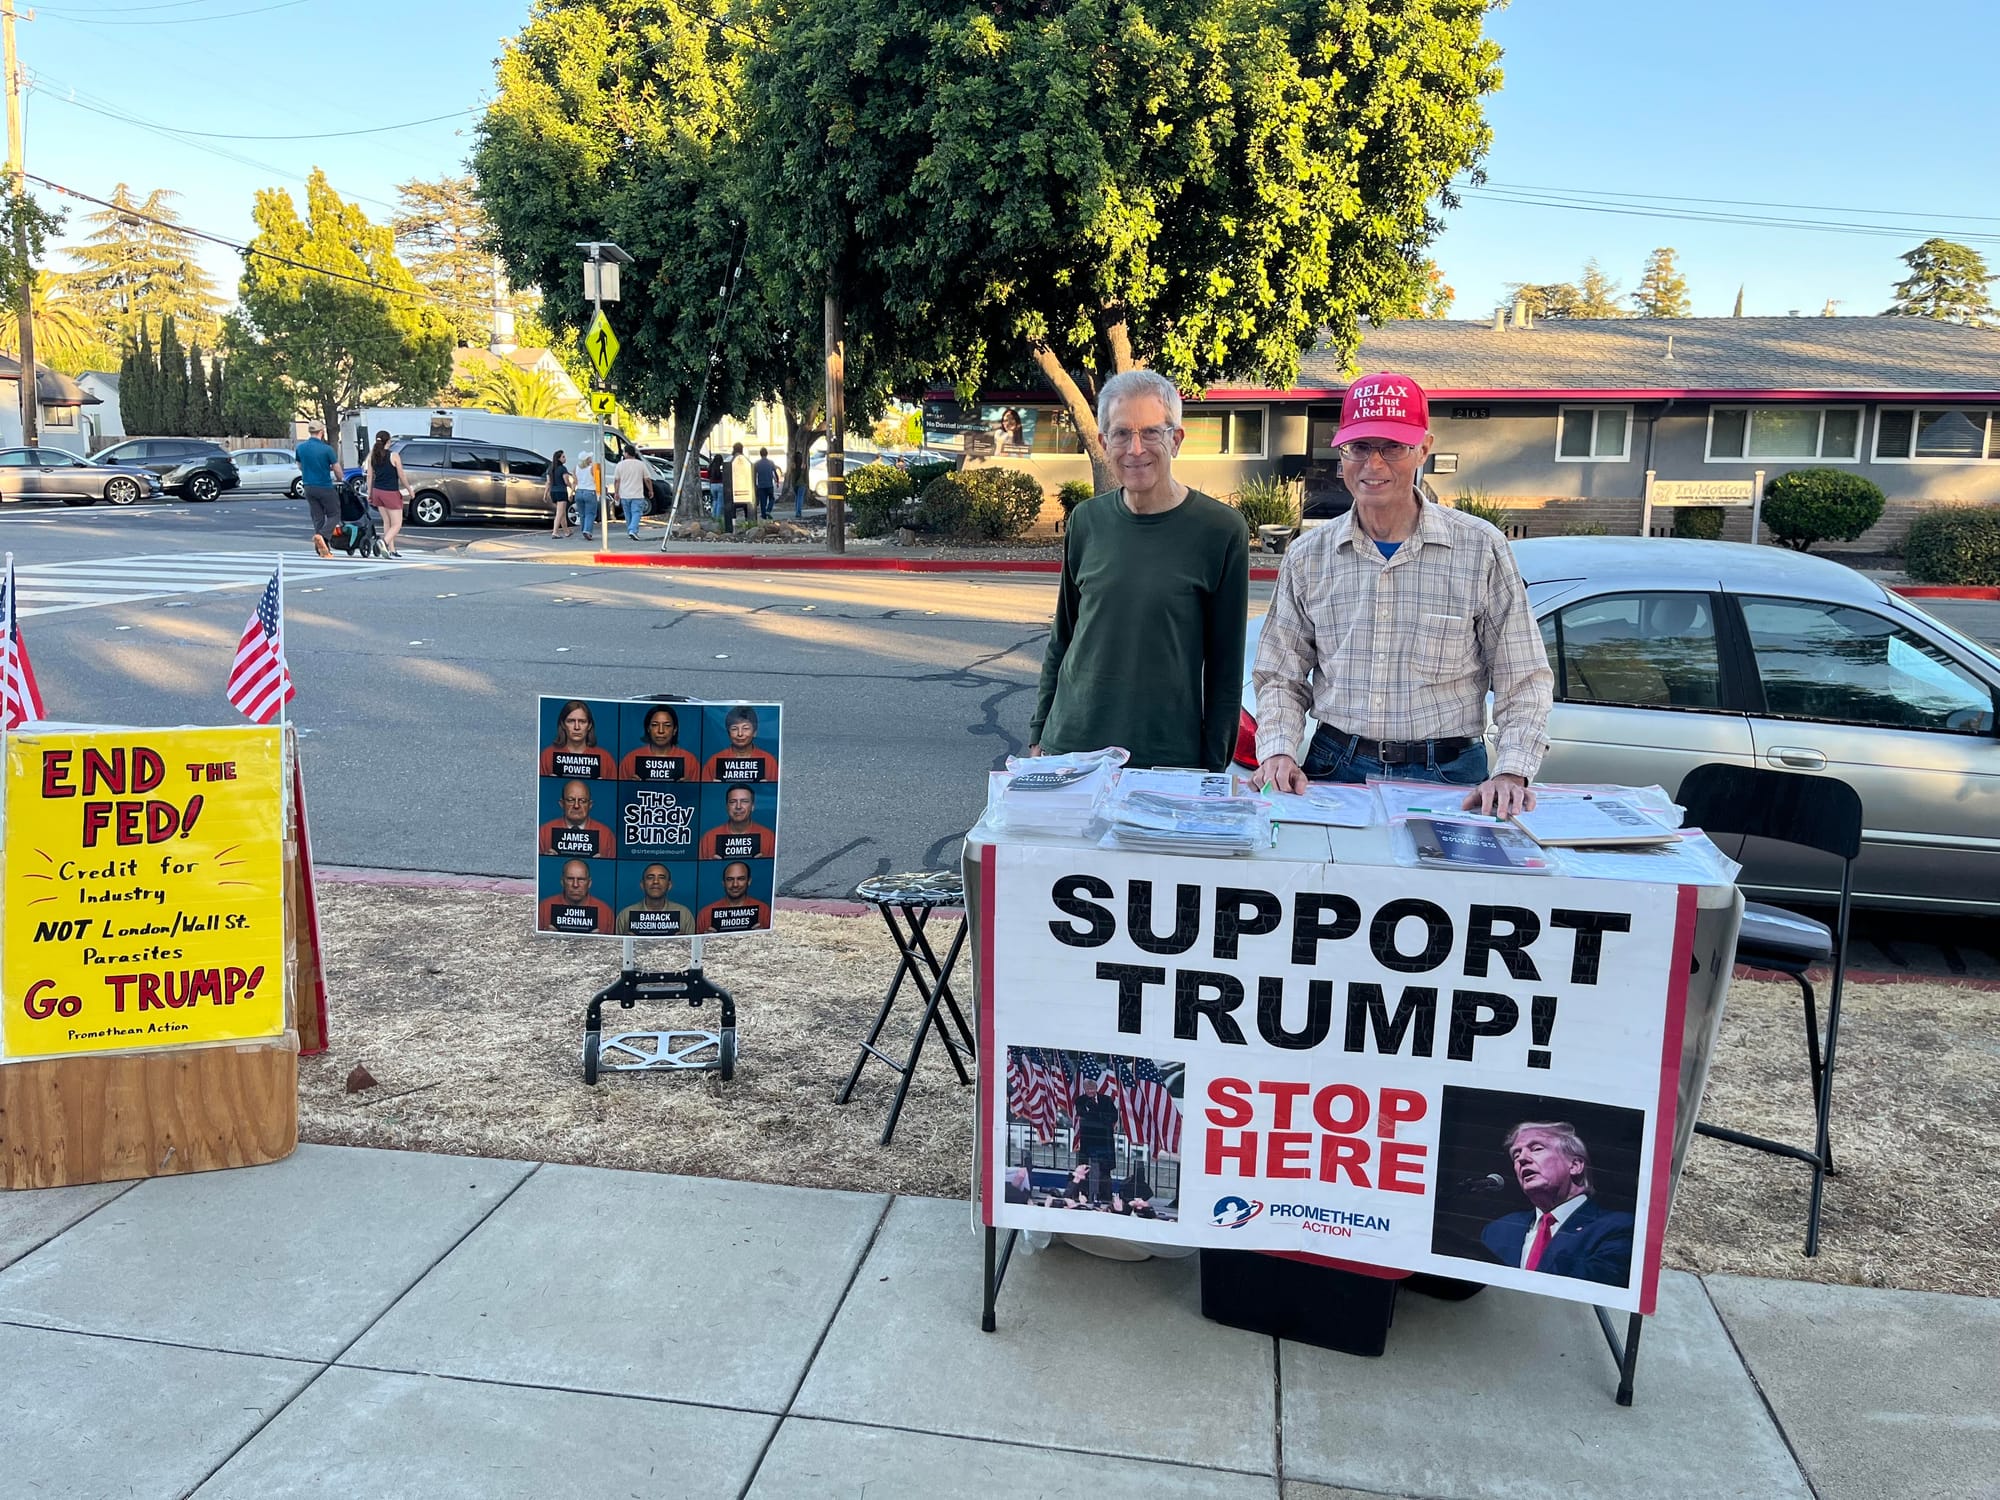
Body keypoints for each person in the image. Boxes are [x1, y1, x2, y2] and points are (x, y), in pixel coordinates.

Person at [1252, 372, 1553, 818]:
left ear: (1423, 449)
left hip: (1449, 771)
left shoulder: (1480, 548)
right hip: (1335, 764)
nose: (1373, 465)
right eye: (1359, 447)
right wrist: (1278, 750)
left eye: (1393, 447)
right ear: (1341, 452)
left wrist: (1512, 771)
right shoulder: (1308, 555)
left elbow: (1523, 676)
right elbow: (1281, 673)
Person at [1029, 368, 1249, 773]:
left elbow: (1225, 668)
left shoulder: (1221, 531)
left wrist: (1212, 767)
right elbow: (1063, 636)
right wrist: (1039, 734)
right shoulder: (1085, 521)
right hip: (1071, 746)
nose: (1135, 449)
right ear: (1103, 442)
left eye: (1151, 433)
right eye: (1121, 433)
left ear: (1176, 439)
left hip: (1167, 758)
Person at [1479, 1121, 1635, 1287]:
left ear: (1575, 1166)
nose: (1522, 1159)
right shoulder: (1498, 1231)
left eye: (1536, 1149)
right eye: (1516, 1155)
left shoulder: (1618, 1227)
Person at [295, 420, 341, 558]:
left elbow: (299, 465)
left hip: (308, 486)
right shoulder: (327, 449)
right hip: (324, 485)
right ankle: (322, 536)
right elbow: (336, 468)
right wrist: (341, 479)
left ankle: (322, 549)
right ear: (321, 432)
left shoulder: (300, 448)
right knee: (334, 514)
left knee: (317, 517)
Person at [621, 705, 700, 782]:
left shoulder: (690, 761)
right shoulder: (630, 760)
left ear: (675, 730)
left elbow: (701, 790)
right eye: (655, 725)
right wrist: (631, 786)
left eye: (667, 725)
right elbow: (619, 789)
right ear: (648, 728)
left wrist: (689, 787)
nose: (661, 730)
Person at [615, 863, 697, 936]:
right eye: (650, 877)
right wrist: (627, 942)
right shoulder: (625, 915)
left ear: (669, 885)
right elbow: (615, 947)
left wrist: (685, 943)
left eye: (662, 877)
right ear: (642, 885)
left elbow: (695, 947)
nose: (656, 881)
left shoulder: (684, 915)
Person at [540, 779, 614, 858]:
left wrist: (604, 862)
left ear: (590, 805)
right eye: (570, 800)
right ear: (562, 804)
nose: (576, 806)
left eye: (582, 801)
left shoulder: (606, 835)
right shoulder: (543, 832)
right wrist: (545, 859)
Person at [702, 705, 778, 782]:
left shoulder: (768, 761)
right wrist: (714, 786)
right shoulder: (714, 761)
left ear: (755, 732)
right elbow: (705, 788)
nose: (740, 734)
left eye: (745, 728)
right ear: (728, 733)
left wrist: (765, 786)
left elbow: (775, 788)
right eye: (734, 729)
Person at [541, 700, 615, 778]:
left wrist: (602, 783)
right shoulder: (547, 755)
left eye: (582, 721)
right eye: (571, 721)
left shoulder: (605, 758)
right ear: (563, 724)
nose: (577, 727)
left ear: (589, 725)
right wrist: (549, 782)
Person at [364, 431, 408, 557]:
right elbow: (401, 475)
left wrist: (369, 493)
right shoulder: (394, 455)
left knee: (387, 521)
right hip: (390, 492)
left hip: (377, 491)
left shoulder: (372, 456)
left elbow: (370, 476)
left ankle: (391, 549)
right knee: (397, 523)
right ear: (389, 441)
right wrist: (409, 489)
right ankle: (383, 542)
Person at [700, 784, 775, 859]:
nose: (738, 806)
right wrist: (711, 864)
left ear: (752, 806)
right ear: (727, 807)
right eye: (733, 802)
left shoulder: (769, 838)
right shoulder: (709, 838)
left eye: (744, 801)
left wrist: (763, 863)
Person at [540, 858, 612, 934]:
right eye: (570, 879)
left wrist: (600, 940)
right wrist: (546, 937)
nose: (575, 885)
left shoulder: (605, 912)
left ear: (589, 883)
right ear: (562, 882)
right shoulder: (544, 908)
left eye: (581, 879)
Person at [698, 860, 771, 932]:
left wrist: (763, 935)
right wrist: (705, 938)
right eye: (730, 879)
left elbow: (771, 937)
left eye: (741, 879)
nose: (735, 884)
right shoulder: (705, 914)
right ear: (723, 883)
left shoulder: (764, 910)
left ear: (749, 881)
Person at [615, 447, 653, 541]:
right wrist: (650, 490)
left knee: (628, 514)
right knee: (636, 513)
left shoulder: (620, 465)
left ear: (626, 453)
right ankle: (633, 530)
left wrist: (616, 492)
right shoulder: (641, 464)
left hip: (624, 494)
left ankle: (630, 531)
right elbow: (647, 479)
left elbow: (617, 480)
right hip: (637, 494)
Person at [575, 453, 601, 542]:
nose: (591, 458)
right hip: (590, 491)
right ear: (587, 459)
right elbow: (597, 480)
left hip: (579, 491)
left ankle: (583, 529)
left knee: (582, 514)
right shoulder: (591, 468)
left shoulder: (576, 468)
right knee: (590, 513)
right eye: (590, 457)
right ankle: (587, 530)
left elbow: (575, 480)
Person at [547, 449, 572, 539]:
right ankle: (555, 532)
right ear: (559, 459)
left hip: (553, 492)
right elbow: (566, 481)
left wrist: (545, 493)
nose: (565, 458)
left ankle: (566, 531)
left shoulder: (550, 469)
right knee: (560, 513)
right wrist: (571, 487)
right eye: (563, 457)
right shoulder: (562, 469)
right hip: (561, 492)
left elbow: (548, 482)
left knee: (562, 513)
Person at [728, 441, 755, 526]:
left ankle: (733, 523)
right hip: (745, 488)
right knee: (746, 506)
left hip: (734, 488)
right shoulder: (746, 460)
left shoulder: (730, 460)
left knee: (733, 507)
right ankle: (748, 523)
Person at [752, 446, 780, 519]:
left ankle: (763, 515)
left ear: (760, 454)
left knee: (763, 501)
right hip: (769, 484)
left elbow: (754, 475)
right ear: (767, 454)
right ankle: (768, 510)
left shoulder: (757, 464)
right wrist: (777, 481)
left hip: (761, 485)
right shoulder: (771, 462)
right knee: (772, 498)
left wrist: (754, 484)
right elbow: (775, 473)